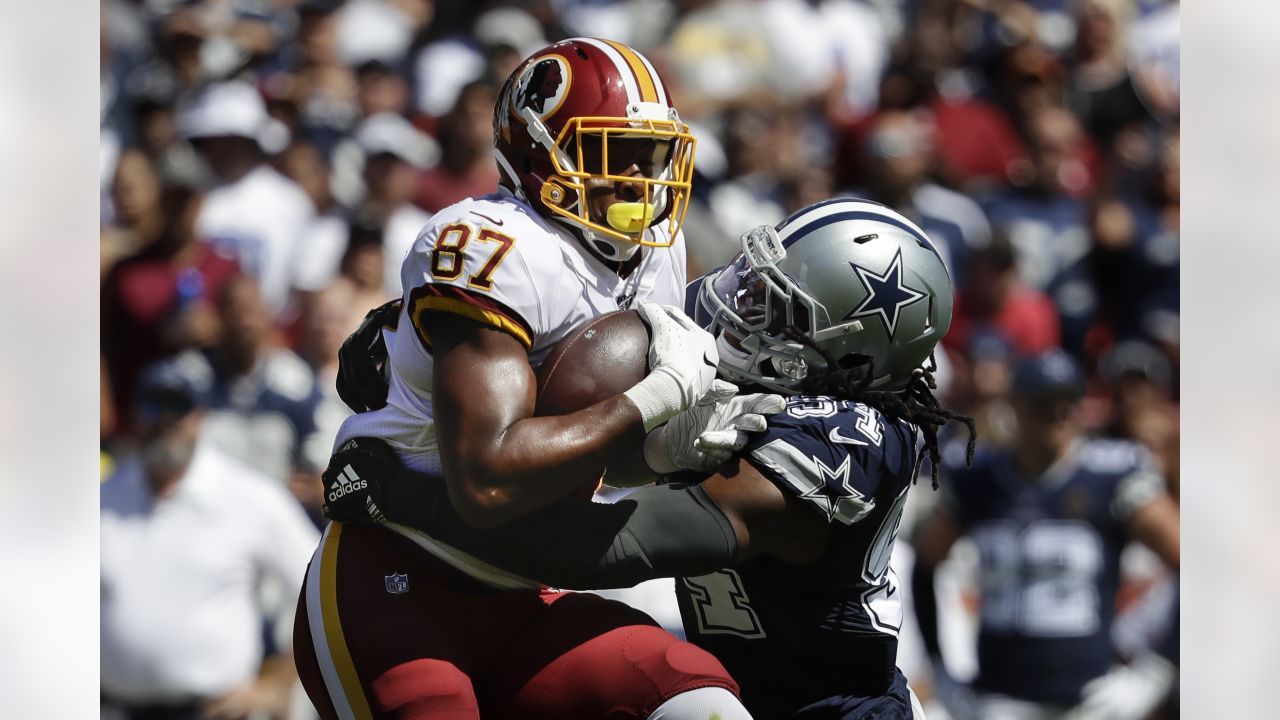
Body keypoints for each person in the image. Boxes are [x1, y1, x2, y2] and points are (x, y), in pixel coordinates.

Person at [329, 198, 978, 718]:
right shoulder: (771, 367)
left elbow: (606, 547)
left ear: (851, 360)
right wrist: (426, 331)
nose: (735, 306)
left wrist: (400, 494)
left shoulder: (850, 441)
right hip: (737, 694)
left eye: (775, 308)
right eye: (752, 280)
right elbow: (584, 314)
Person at [292, 38, 771, 720]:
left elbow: (591, 450)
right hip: (398, 578)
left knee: (691, 694)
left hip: (528, 584)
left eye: (651, 155)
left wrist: (661, 450)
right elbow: (488, 479)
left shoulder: (656, 254)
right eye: (613, 154)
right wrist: (650, 400)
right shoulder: (494, 247)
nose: (639, 179)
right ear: (536, 151)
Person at [910, 350, 1180, 720]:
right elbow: (924, 565)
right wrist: (939, 666)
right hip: (999, 699)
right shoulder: (980, 478)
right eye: (1044, 403)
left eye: (1068, 402)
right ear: (1016, 406)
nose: (1059, 414)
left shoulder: (1110, 475)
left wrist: (1158, 667)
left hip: (1089, 700)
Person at [101, 354, 320, 720]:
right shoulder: (105, 498)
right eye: (156, 405)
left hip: (215, 712)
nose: (167, 420)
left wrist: (279, 684)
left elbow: (321, 585)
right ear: (137, 414)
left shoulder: (247, 496)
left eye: (180, 407)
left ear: (201, 417)